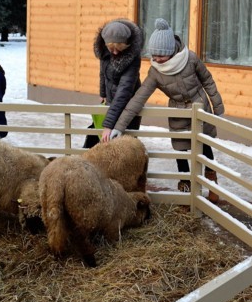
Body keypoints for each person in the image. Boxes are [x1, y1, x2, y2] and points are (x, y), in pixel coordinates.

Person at [109, 18, 225, 202]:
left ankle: (212, 182)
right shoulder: (156, 72)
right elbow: (137, 99)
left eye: (160, 56)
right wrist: (118, 127)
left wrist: (218, 108)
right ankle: (186, 191)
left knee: (204, 145)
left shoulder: (191, 58)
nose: (156, 60)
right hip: (177, 111)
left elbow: (208, 81)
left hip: (199, 106)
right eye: (153, 56)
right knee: (180, 150)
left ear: (170, 51)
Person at [85, 18, 143, 148]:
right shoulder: (104, 51)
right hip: (111, 101)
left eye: (119, 48)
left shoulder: (133, 58)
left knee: (124, 145)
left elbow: (124, 91)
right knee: (95, 139)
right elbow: (103, 73)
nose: (115, 52)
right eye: (111, 48)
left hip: (128, 104)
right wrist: (103, 93)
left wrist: (108, 125)